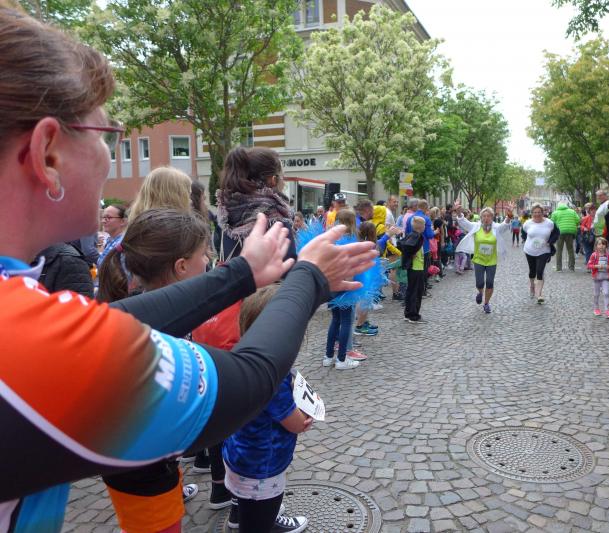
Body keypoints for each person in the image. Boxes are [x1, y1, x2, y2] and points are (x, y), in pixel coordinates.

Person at [0, 8, 378, 528]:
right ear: (47, 154)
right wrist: (310, 277)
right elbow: (249, 382)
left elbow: (116, 322)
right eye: (106, 134)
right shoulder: (22, 339)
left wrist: (243, 274)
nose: (109, 156)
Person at [97, 209, 212, 533]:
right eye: (203, 254)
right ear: (181, 267)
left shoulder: (143, 308)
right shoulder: (152, 329)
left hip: (151, 458)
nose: (208, 261)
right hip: (143, 466)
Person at [224, 286, 311, 533]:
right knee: (258, 518)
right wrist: (308, 415)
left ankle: (247, 517)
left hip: (238, 455)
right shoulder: (273, 376)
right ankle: (263, 521)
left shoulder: (239, 356)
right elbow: (296, 423)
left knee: (248, 507)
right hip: (262, 469)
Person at [216, 147, 296, 263]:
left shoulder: (225, 216)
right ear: (273, 180)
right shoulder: (277, 221)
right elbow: (288, 266)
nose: (284, 182)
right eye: (283, 177)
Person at [322, 208, 362, 370]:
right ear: (352, 222)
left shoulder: (330, 239)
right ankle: (341, 359)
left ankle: (328, 357)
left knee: (335, 320)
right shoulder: (351, 241)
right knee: (346, 322)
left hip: (331, 284)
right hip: (345, 285)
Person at [455, 204, 512, 313]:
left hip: (491, 261)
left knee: (490, 283)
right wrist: (458, 211)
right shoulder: (475, 227)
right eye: (484, 216)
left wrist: (509, 215)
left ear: (492, 217)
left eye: (489, 216)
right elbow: (463, 222)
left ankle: (486, 303)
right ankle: (480, 292)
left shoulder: (496, 228)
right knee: (480, 283)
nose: (486, 218)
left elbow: (505, 225)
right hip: (479, 260)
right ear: (481, 217)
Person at [128, 166, 192, 222]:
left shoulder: (137, 225)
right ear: (173, 198)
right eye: (187, 195)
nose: (190, 201)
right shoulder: (181, 227)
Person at [522, 204, 557, 303]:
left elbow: (556, 233)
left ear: (543, 213)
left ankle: (539, 294)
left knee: (540, 271)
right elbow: (523, 233)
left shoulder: (549, 223)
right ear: (532, 213)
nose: (537, 214)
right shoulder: (527, 223)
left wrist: (550, 242)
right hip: (530, 251)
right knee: (532, 271)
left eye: (539, 212)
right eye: (535, 212)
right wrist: (528, 241)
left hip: (544, 251)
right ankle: (532, 286)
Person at [400, 216, 427, 323]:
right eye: (424, 225)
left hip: (415, 267)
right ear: (421, 227)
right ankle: (413, 315)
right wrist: (411, 254)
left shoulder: (411, 234)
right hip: (416, 267)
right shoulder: (417, 236)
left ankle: (408, 314)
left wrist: (409, 254)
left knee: (411, 290)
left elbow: (401, 243)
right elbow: (405, 246)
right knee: (416, 292)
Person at [587, 237, 609, 319]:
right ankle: (596, 308)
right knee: (596, 294)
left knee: (606, 293)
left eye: (603, 244)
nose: (601, 246)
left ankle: (607, 310)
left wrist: (608, 266)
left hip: (606, 278)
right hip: (596, 278)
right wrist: (596, 266)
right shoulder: (594, 255)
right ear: (596, 246)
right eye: (599, 244)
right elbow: (589, 265)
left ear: (606, 246)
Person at [549, 202, 580, 271]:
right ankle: (571, 267)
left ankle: (559, 268)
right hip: (570, 231)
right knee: (570, 249)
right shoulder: (572, 211)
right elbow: (578, 220)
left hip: (559, 232)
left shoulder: (555, 212)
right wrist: (573, 224)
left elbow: (551, 223)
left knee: (559, 250)